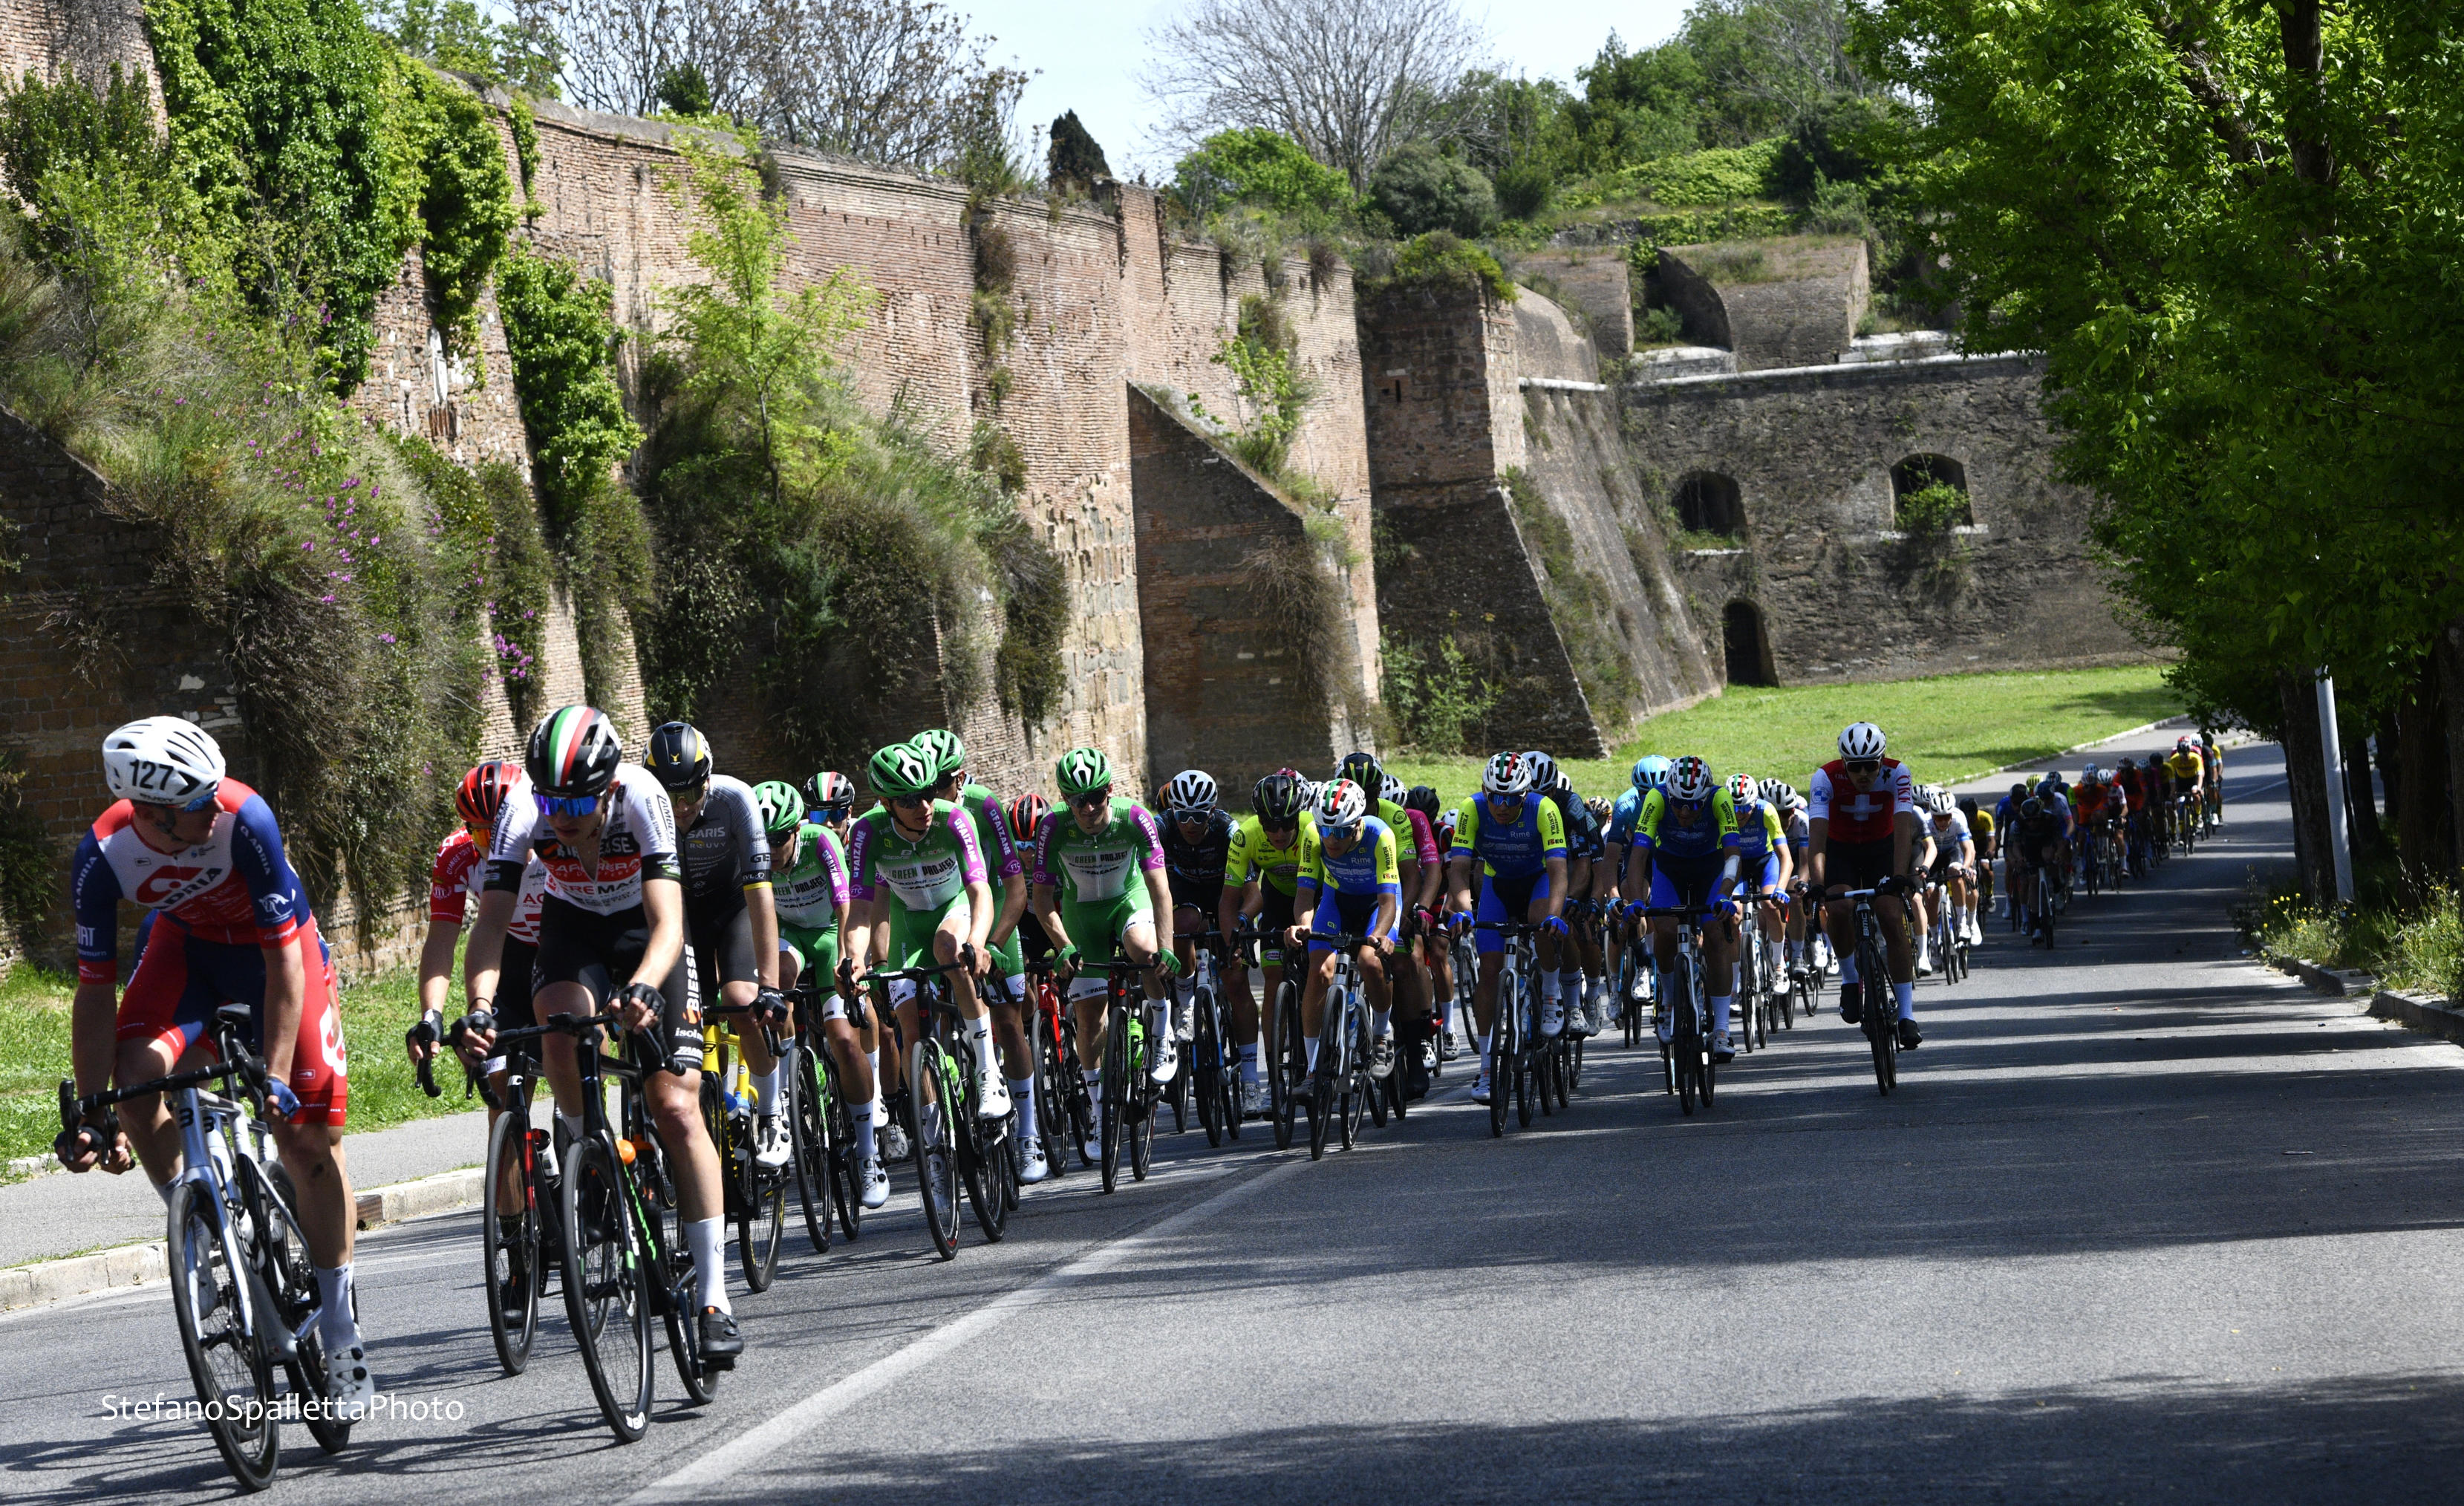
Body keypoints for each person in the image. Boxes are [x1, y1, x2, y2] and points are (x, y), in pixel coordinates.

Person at [62, 716, 374, 1412]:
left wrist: (276, 1073)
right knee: (135, 1083)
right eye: (195, 802)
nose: (212, 807)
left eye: (212, 793)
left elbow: (284, 957)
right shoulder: (102, 855)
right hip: (188, 951)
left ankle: (341, 1327)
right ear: (150, 813)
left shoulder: (245, 819)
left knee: (308, 1142)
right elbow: (95, 991)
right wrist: (91, 1112)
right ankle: (200, 1220)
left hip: (276, 956)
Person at [460, 705, 740, 1363]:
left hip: (648, 930)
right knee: (558, 1029)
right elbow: (492, 923)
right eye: (551, 801)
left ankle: (715, 1300)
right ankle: (590, 1153)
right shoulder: (525, 809)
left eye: (577, 802)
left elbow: (669, 922)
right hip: (575, 926)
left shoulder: (642, 796)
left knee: (675, 1106)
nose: (561, 816)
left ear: (609, 788)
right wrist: (479, 1007)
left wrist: (643, 985)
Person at [408, 760, 550, 1269]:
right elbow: (441, 943)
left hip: (562, 953)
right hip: (506, 963)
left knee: (580, 1061)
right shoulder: (456, 856)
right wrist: (432, 1015)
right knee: (500, 1093)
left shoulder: (551, 838)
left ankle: (588, 1166)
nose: (492, 843)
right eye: (480, 833)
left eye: (499, 829)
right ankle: (515, 1251)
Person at [644, 722, 789, 1167]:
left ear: (707, 779)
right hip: (680, 919)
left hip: (733, 909)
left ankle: (772, 1111)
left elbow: (760, 895)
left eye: (691, 792)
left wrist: (770, 985)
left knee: (741, 1000)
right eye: (670, 795)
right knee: (681, 1019)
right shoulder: (643, 808)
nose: (682, 806)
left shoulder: (736, 799)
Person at [838, 741, 1008, 1124]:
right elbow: (861, 910)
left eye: (929, 793)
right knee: (910, 1027)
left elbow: (980, 890)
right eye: (910, 800)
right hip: (909, 921)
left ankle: (988, 1073)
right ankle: (932, 1133)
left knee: (949, 947)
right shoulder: (867, 832)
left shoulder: (954, 819)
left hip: (955, 908)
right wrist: (856, 959)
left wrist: (977, 942)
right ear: (886, 803)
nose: (925, 807)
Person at [1027, 748, 1177, 1145]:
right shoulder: (1053, 827)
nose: (1088, 807)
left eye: (1096, 796)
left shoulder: (1135, 818)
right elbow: (1041, 899)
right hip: (1081, 913)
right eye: (1078, 800)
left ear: (1110, 789)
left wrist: (1166, 947)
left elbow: (1160, 889)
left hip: (1128, 898)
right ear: (1065, 798)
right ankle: (1098, 1111)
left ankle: (1162, 1031)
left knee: (1143, 949)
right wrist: (1063, 945)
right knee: (1090, 1015)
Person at [913, 729, 1042, 1180]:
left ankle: (1028, 1134)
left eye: (940, 783)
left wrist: (992, 942)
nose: (930, 794)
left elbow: (1015, 888)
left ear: (960, 778)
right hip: (941, 917)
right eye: (923, 785)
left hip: (990, 909)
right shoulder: (916, 816)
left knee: (1008, 1020)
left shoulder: (984, 806)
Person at [1444, 752, 1569, 1104]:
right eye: (1494, 797)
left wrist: (1555, 916)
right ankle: (1486, 1068)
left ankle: (1550, 993)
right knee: (1489, 972)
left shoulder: (1544, 809)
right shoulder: (1472, 808)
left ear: (1525, 795)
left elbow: (1559, 871)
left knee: (1542, 922)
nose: (1501, 806)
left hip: (1538, 880)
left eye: (1511, 799)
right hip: (1498, 885)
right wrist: (1465, 912)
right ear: (1485, 790)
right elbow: (1459, 869)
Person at [1808, 721, 1923, 1049]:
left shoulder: (1898, 773)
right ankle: (1849, 978)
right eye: (1854, 767)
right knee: (1838, 907)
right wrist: (1818, 885)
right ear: (1844, 763)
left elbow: (1903, 831)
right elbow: (1817, 840)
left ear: (1881, 760)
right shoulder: (1825, 778)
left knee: (1890, 915)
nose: (1862, 774)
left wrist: (1900, 876)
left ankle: (1906, 1015)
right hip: (1840, 850)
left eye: (1870, 766)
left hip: (1882, 850)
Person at [1626, 756, 1744, 1060]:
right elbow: (1639, 855)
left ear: (1705, 798)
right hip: (1670, 869)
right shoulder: (1657, 797)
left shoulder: (1720, 798)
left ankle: (1721, 1029)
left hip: (1710, 869)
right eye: (1678, 804)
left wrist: (1725, 894)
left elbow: (1733, 854)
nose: (1684, 811)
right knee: (1664, 930)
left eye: (1693, 805)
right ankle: (1668, 1001)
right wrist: (1636, 900)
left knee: (1715, 934)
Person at [1288, 778, 1402, 1078]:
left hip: (1377, 903)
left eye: (1340, 832)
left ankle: (1382, 1033)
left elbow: (1388, 901)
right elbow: (1305, 893)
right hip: (1337, 900)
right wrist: (1303, 924)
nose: (1331, 839)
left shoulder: (1380, 835)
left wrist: (1379, 935)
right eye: (1325, 830)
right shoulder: (1313, 833)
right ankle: (1313, 1068)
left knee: (1369, 960)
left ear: (1357, 825)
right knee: (1319, 972)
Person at [1225, 772, 1314, 1116]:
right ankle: (1275, 1078)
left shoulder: (1312, 828)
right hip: (1276, 902)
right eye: (1270, 825)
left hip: (1317, 896)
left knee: (1317, 973)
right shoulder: (1246, 835)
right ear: (1259, 820)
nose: (1278, 833)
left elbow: (1320, 887)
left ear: (1297, 817)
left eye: (1286, 824)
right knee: (1274, 979)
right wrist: (1235, 937)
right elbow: (1229, 898)